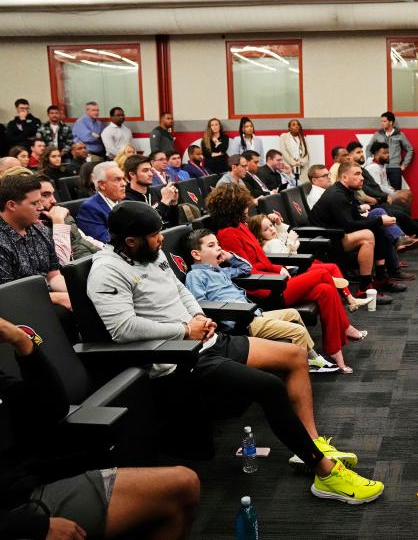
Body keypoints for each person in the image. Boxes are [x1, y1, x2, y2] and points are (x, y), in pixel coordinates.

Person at [87, 202, 384, 503]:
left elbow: (181, 292)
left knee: (294, 355)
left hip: (203, 340)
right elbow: (123, 329)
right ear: (130, 240)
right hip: (176, 358)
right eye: (154, 235)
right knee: (269, 386)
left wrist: (198, 318)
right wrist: (183, 330)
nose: (161, 239)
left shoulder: (151, 253)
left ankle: (310, 442)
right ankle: (324, 472)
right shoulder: (106, 271)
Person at [0, 316, 202, 540]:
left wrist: (22, 342)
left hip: (26, 488)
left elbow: (52, 409)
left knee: (184, 484)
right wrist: (33, 527)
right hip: (14, 515)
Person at [207, 185, 369, 373]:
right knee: (324, 274)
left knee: (325, 290)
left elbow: (263, 260)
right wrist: (277, 273)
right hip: (263, 288)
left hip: (274, 278)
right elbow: (247, 269)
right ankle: (346, 325)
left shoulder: (241, 226)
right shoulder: (226, 234)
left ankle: (334, 350)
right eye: (244, 205)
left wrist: (279, 268)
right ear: (233, 207)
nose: (248, 208)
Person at [184, 228, 338, 372]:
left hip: (254, 314)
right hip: (241, 320)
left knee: (293, 313)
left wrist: (230, 257)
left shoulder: (221, 271)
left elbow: (246, 268)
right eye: (211, 245)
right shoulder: (195, 276)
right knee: (298, 331)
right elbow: (200, 305)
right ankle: (300, 369)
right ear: (196, 255)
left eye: (218, 244)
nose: (218, 248)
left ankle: (313, 360)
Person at [310, 161, 412, 294]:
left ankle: (381, 278)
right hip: (326, 239)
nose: (362, 177)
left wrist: (379, 222)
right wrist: (379, 220)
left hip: (338, 233)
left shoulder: (347, 191)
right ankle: (364, 288)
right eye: (357, 174)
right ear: (345, 177)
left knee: (379, 226)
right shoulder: (337, 195)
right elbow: (349, 225)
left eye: (361, 174)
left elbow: (355, 219)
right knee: (368, 235)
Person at [247, 213, 371, 311]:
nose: (271, 229)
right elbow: (284, 257)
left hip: (295, 266)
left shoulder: (272, 240)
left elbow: (281, 237)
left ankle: (349, 298)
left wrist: (279, 224)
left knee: (330, 267)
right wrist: (290, 242)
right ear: (259, 234)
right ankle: (349, 298)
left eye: (271, 225)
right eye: (266, 229)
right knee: (330, 269)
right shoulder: (270, 244)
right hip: (293, 271)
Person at [0, 173, 72, 310]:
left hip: (44, 295)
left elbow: (53, 275)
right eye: (34, 203)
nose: (41, 207)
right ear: (11, 205)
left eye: (40, 201)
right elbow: (6, 294)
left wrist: (76, 291)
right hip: (17, 307)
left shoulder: (40, 230)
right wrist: (58, 297)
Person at [37, 174, 102, 264]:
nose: (54, 201)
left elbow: (84, 238)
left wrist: (107, 251)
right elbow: (63, 263)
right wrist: (58, 223)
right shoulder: (34, 230)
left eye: (52, 194)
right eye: (45, 195)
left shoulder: (59, 213)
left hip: (96, 259)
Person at [76, 162, 127, 243]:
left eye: (123, 179)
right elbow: (106, 241)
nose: (124, 183)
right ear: (102, 185)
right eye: (117, 179)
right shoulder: (89, 208)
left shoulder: (124, 203)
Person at [123, 154, 178, 226]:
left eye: (150, 170)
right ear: (132, 174)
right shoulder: (127, 200)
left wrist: (173, 204)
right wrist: (164, 202)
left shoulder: (157, 191)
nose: (151, 174)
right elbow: (148, 226)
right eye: (145, 171)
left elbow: (174, 224)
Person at [368, 111, 413, 191]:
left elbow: (410, 149)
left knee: (396, 192)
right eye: (381, 121)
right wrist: (370, 161)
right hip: (380, 167)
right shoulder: (378, 134)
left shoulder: (400, 134)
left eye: (384, 121)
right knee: (380, 190)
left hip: (395, 168)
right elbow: (368, 148)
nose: (382, 123)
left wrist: (404, 165)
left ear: (391, 122)